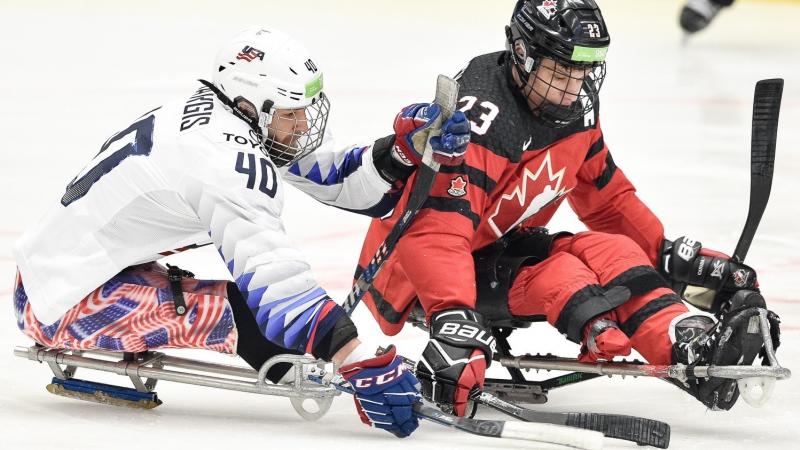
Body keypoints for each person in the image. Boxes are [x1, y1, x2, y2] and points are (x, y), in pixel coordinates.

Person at [12, 26, 470, 438]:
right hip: (60, 304)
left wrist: (401, 153)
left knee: (270, 321)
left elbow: (334, 177)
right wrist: (354, 358)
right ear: (253, 105)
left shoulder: (219, 115)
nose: (305, 125)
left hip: (69, 269)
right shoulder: (223, 160)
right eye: (294, 113)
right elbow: (278, 287)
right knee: (247, 319)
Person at [355, 0, 780, 417]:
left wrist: (668, 258)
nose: (575, 84)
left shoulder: (571, 110)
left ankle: (689, 345)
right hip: (416, 274)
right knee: (562, 274)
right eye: (562, 70)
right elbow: (433, 234)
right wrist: (453, 320)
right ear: (522, 53)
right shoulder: (481, 121)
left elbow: (608, 200)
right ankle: (598, 323)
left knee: (615, 252)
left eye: (584, 69)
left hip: (498, 246)